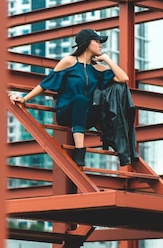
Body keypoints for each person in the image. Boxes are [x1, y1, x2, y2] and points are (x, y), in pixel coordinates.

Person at [9, 29, 130, 167]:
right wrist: (25, 99)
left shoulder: (98, 69)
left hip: (87, 116)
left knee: (99, 103)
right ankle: (79, 150)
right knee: (80, 99)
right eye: (97, 41)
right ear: (86, 43)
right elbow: (45, 84)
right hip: (66, 113)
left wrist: (107, 59)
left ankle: (115, 142)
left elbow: (124, 78)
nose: (100, 45)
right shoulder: (68, 62)